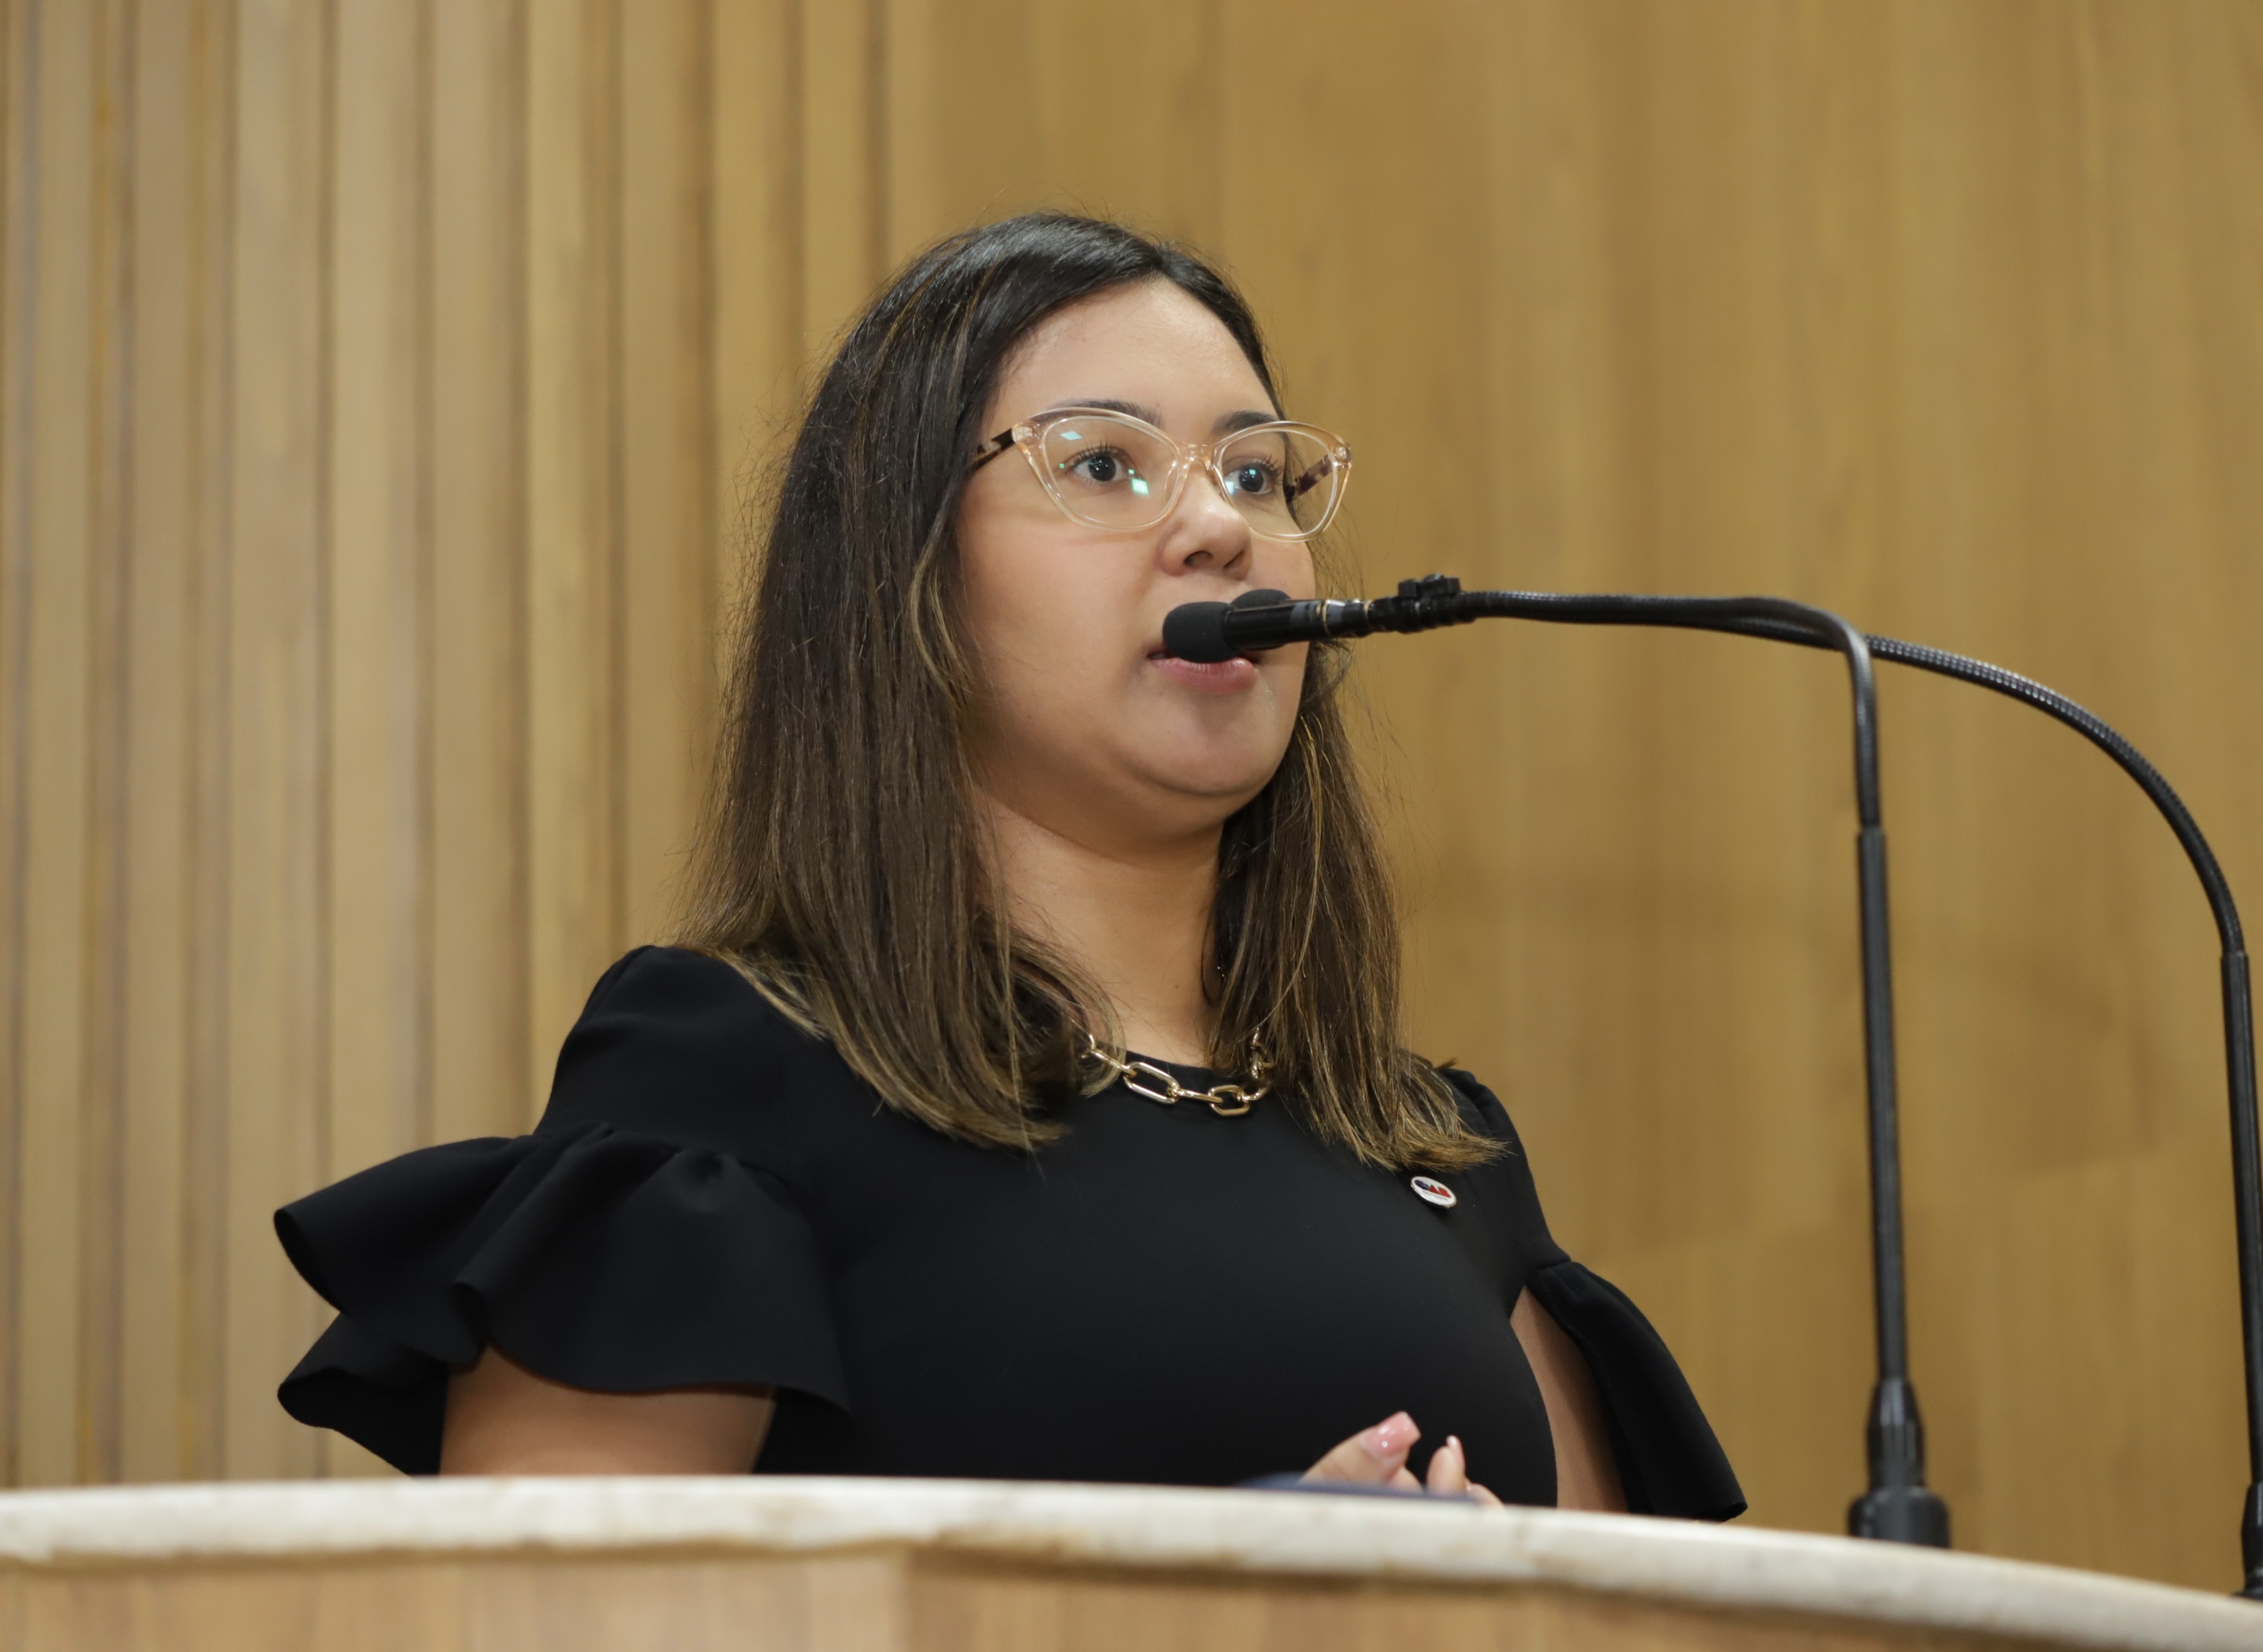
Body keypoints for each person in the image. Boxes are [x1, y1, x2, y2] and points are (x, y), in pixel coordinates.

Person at [275, 213, 1742, 1517]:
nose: (1218, 526)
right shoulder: (731, 1077)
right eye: (1104, 463)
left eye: (1254, 471)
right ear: (907, 574)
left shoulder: (1438, 1151)